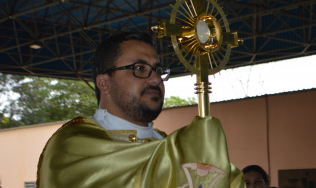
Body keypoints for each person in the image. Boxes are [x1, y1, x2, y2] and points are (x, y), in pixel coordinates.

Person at [36, 31, 244, 188]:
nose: (155, 79)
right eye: (139, 68)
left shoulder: (167, 147)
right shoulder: (73, 146)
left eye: (158, 70)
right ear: (104, 84)